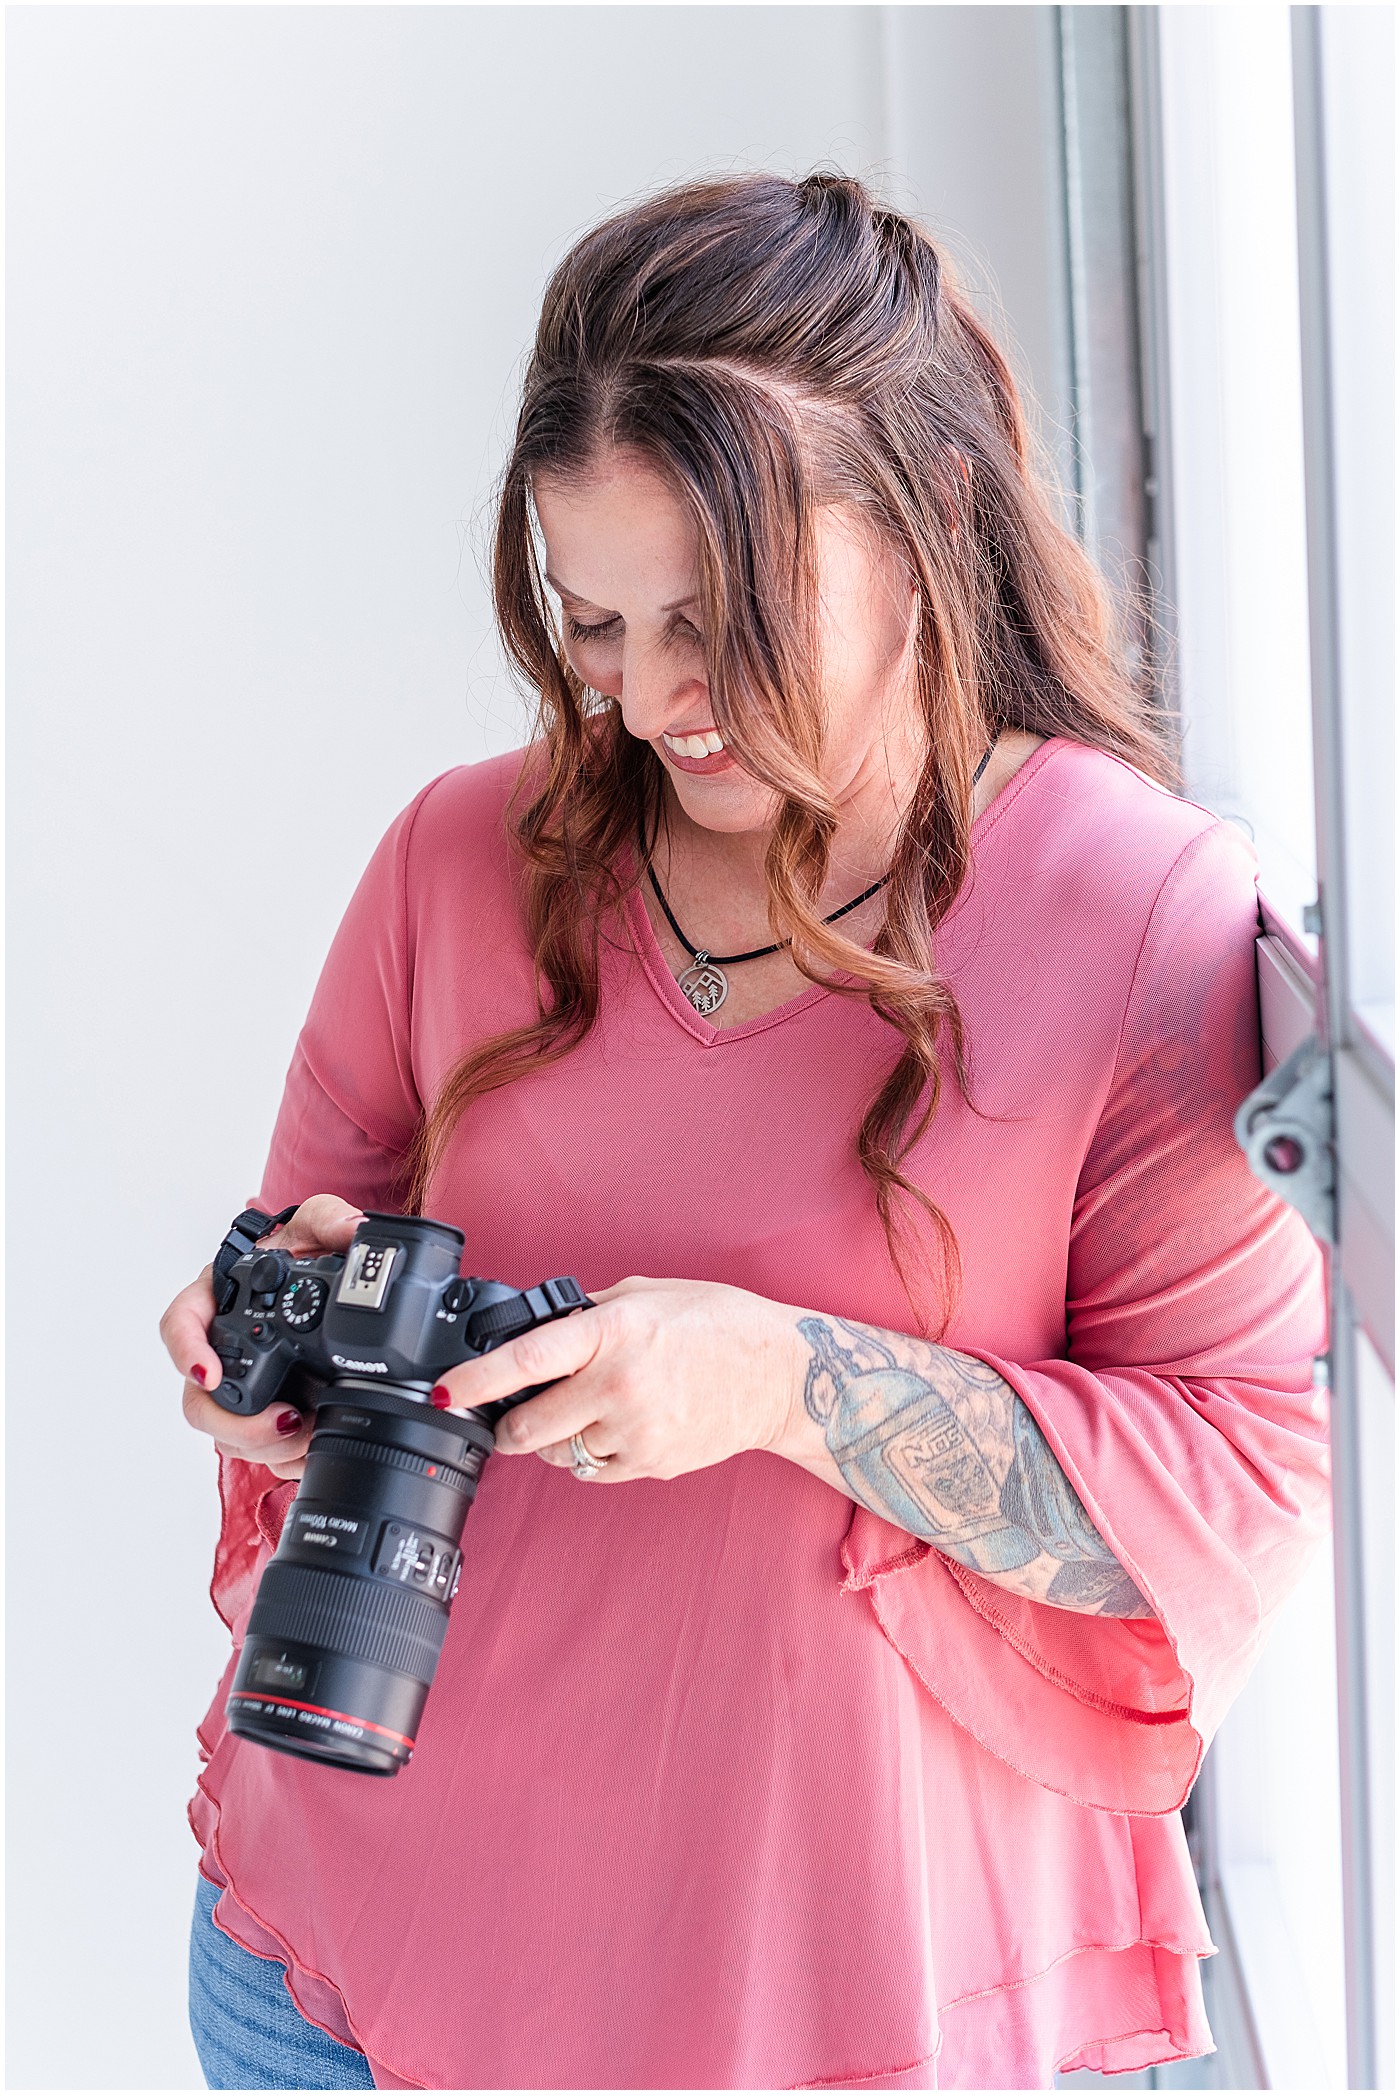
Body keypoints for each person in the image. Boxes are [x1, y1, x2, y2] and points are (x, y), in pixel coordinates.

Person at [161, 171, 1329, 2092]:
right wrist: (258, 1332)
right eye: (596, 621)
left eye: (716, 619)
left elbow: (1231, 1505)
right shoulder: (459, 855)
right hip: (342, 1985)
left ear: (934, 521)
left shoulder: (1141, 920)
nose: (649, 704)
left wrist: (784, 1380)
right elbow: (311, 1240)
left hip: (844, 2011)